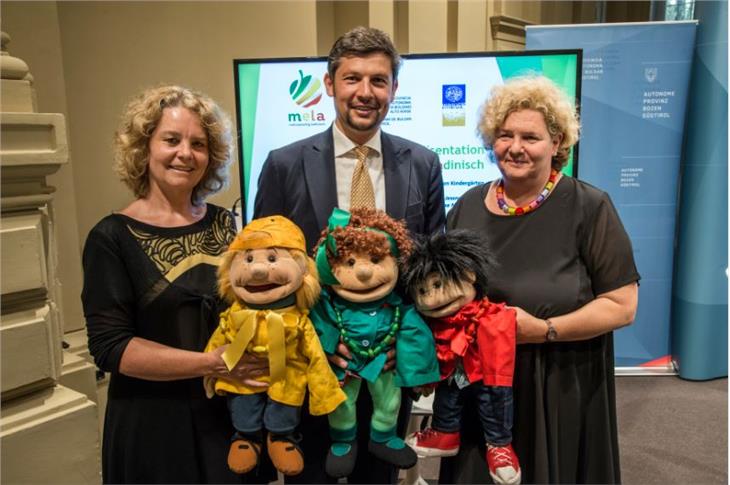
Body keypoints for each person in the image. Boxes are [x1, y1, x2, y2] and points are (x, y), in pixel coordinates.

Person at [254, 26, 446, 483]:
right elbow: (268, 266)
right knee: (313, 473)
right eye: (352, 79)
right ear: (329, 85)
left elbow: (430, 263)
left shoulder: (423, 163)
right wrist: (313, 343)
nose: (366, 92)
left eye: (379, 81)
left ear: (394, 90)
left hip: (388, 361)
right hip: (315, 359)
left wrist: (408, 345)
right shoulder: (285, 163)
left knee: (379, 475)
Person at [440, 76, 640, 484]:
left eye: (530, 137)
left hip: (559, 384)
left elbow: (622, 306)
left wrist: (544, 330)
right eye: (504, 135)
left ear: (557, 143)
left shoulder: (589, 207)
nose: (515, 147)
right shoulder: (466, 207)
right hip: (480, 388)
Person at [82, 85, 272, 484]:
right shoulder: (111, 237)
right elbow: (111, 347)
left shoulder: (229, 225)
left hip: (230, 421)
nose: (186, 153)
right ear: (143, 147)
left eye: (198, 144)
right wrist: (211, 364)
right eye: (172, 140)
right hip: (152, 426)